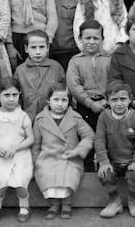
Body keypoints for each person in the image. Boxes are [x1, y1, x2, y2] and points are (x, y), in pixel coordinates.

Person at [32, 83, 94, 220]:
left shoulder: (75, 118)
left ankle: (66, 204)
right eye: (56, 100)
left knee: (68, 176)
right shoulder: (40, 119)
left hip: (69, 157)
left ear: (69, 102)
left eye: (64, 100)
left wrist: (78, 150)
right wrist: (35, 162)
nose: (60, 104)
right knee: (46, 174)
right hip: (48, 157)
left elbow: (89, 135)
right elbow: (36, 143)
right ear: (48, 100)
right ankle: (53, 205)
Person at [0, 77, 34, 223]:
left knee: (21, 178)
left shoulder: (22, 116)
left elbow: (30, 138)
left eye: (14, 95)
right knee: (0, 177)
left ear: (19, 95)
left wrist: (16, 147)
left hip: (19, 153)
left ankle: (24, 206)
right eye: (6, 95)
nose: (11, 99)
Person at [94, 80, 135, 218]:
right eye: (114, 100)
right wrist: (103, 161)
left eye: (123, 99)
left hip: (131, 161)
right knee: (105, 174)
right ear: (107, 100)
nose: (119, 103)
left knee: (134, 177)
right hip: (112, 160)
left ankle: (134, 200)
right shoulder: (104, 117)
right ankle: (114, 201)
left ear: (130, 99)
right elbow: (99, 140)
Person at [66, 20, 110, 171]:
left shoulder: (109, 59)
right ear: (80, 39)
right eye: (87, 38)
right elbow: (74, 87)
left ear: (102, 39)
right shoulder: (75, 61)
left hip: (106, 106)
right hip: (84, 108)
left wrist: (106, 101)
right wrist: (90, 104)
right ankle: (88, 173)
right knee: (87, 140)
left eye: (96, 38)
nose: (91, 42)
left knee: (105, 139)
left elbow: (115, 81)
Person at [14, 30, 65, 121]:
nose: (38, 52)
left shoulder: (56, 67)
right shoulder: (20, 70)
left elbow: (65, 91)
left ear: (47, 48)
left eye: (41, 47)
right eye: (33, 47)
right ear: (26, 49)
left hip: (52, 117)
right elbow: (16, 96)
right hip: (27, 117)